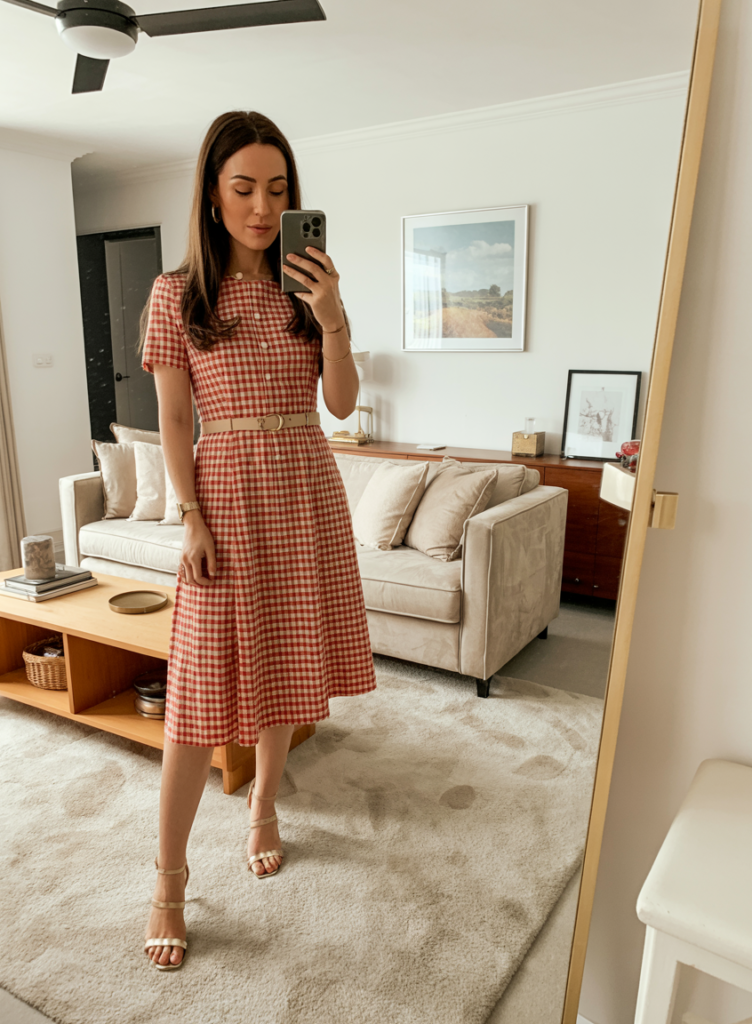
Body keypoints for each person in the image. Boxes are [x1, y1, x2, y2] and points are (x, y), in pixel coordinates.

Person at [139, 110, 377, 970]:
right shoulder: (178, 295)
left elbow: (342, 405)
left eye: (278, 190)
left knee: (283, 669)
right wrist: (191, 516)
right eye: (243, 187)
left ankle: (266, 806)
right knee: (195, 704)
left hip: (304, 490)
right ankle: (168, 881)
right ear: (211, 192)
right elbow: (171, 419)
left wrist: (335, 313)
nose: (261, 206)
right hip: (227, 497)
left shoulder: (304, 289)